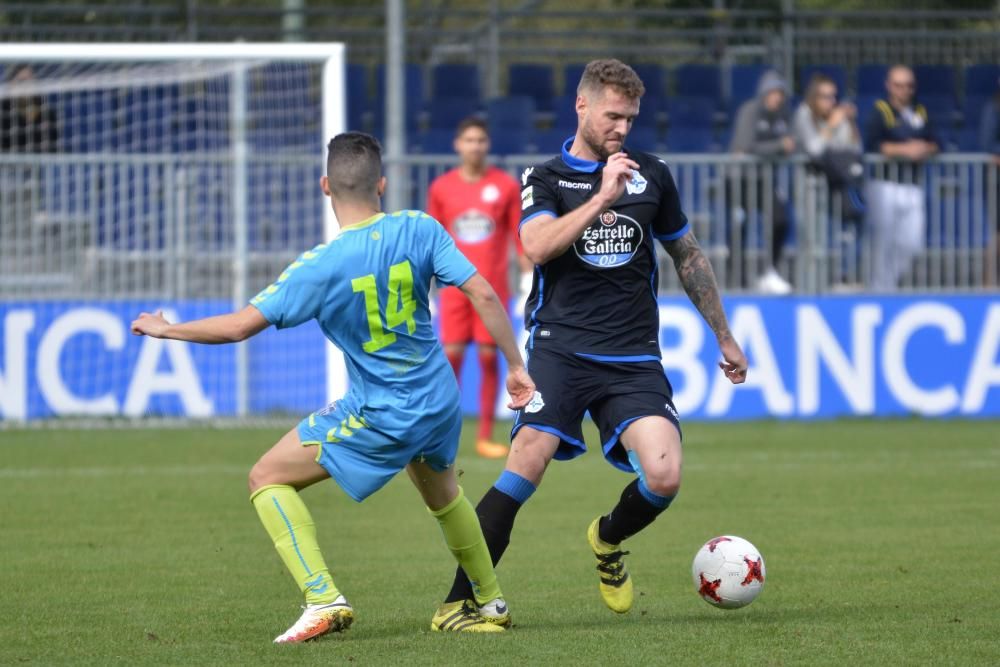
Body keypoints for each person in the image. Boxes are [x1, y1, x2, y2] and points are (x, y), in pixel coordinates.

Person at [130, 132, 536, 642]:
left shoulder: (319, 266)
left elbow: (237, 327)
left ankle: (323, 597)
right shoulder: (420, 228)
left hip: (384, 411)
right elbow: (481, 290)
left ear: (325, 186)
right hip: (438, 399)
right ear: (382, 184)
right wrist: (516, 367)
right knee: (444, 493)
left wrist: (168, 329)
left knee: (265, 478)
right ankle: (491, 602)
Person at [437, 59, 748, 620]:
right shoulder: (545, 179)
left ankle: (606, 539)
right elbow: (536, 247)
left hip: (633, 358)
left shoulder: (652, 174)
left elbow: (687, 253)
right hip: (561, 349)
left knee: (665, 474)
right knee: (527, 460)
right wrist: (602, 197)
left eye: (630, 118)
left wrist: (724, 334)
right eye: (612, 115)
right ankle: (460, 603)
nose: (622, 128)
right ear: (581, 107)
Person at [427, 117, 532, 459]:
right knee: (451, 359)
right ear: (458, 144)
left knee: (490, 359)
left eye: (481, 140)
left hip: (491, 288)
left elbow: (519, 233)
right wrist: (427, 288)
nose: (475, 146)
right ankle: (444, 434)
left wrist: (527, 277)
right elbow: (431, 241)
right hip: (454, 289)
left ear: (487, 145)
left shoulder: (503, 186)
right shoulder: (442, 188)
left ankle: (485, 435)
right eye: (469, 140)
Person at [863, 64, 938, 291]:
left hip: (912, 185)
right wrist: (904, 150)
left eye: (908, 85)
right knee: (883, 241)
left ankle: (888, 283)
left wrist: (924, 148)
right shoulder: (880, 110)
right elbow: (873, 144)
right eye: (898, 85)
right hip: (884, 184)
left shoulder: (920, 110)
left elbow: (936, 142)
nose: (904, 90)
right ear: (889, 86)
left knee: (912, 242)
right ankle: (879, 290)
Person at [793, 73, 865, 285]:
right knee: (813, 243)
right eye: (825, 97)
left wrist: (850, 124)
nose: (831, 102)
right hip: (808, 186)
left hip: (834, 185)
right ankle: (810, 288)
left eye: (833, 96)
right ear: (814, 98)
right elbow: (814, 149)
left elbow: (854, 149)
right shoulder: (803, 115)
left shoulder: (837, 117)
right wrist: (832, 126)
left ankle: (833, 283)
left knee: (835, 239)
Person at [730, 69, 795, 295]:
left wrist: (782, 147)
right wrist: (778, 147)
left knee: (781, 220)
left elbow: (791, 143)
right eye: (773, 93)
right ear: (764, 93)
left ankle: (770, 271)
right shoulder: (750, 111)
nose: (777, 98)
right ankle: (735, 278)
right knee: (740, 227)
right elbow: (744, 146)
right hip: (741, 179)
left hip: (765, 179)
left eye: (780, 94)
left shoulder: (781, 116)